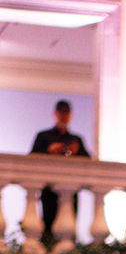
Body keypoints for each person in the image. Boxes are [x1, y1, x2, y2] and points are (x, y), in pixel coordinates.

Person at [29, 99, 90, 246]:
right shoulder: (44, 137)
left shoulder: (76, 139)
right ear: (55, 114)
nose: (64, 116)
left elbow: (88, 161)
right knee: (48, 223)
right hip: (49, 189)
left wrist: (76, 152)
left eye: (66, 113)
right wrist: (49, 151)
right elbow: (31, 159)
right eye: (61, 113)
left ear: (70, 115)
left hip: (71, 189)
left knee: (70, 224)